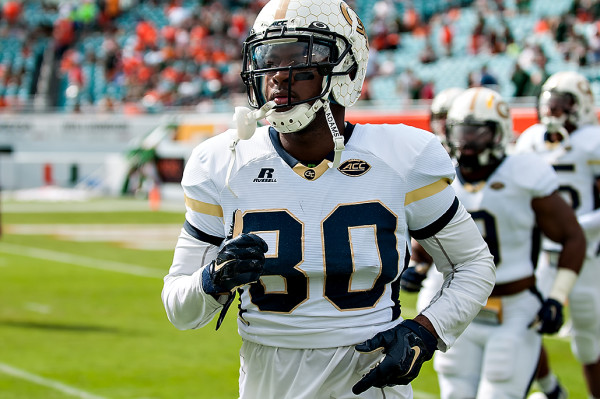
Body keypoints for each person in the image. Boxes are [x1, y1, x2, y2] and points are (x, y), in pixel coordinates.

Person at [161, 1, 496, 398]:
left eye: (298, 62)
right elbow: (179, 310)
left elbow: (473, 264)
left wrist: (426, 330)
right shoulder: (222, 162)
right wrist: (212, 279)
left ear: (346, 70)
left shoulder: (403, 156)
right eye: (268, 61)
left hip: (370, 377)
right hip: (267, 381)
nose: (277, 78)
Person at [406, 87, 585, 398]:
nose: (468, 141)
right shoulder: (442, 176)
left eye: (478, 133)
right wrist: (417, 267)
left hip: (515, 305)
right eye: (461, 131)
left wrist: (557, 297)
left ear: (500, 133)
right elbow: (428, 243)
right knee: (455, 392)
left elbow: (572, 237)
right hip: (461, 306)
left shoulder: (523, 173)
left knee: (499, 391)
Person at [515, 70, 600, 399]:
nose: (553, 112)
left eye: (563, 104)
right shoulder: (531, 139)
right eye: (549, 104)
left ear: (580, 106)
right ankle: (552, 391)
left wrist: (577, 228)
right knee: (522, 327)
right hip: (542, 256)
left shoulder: (592, 141)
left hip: (589, 255)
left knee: (589, 343)